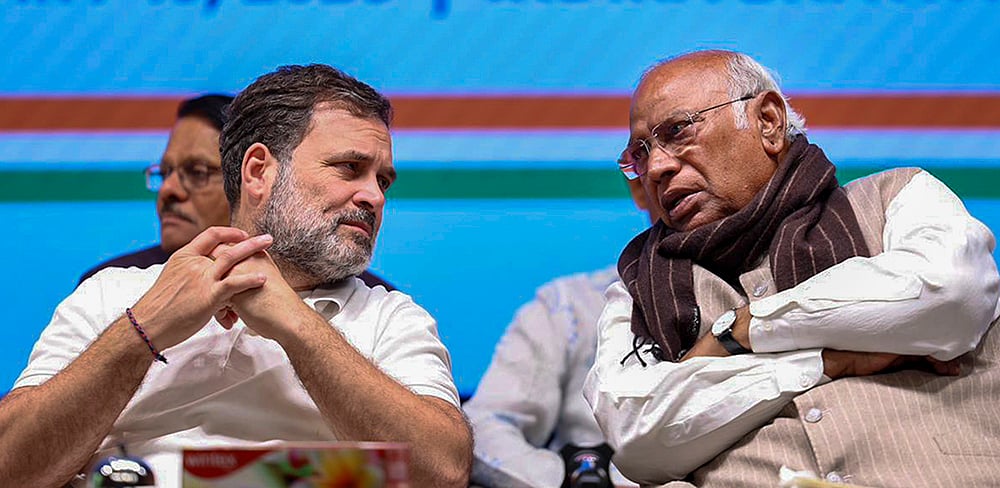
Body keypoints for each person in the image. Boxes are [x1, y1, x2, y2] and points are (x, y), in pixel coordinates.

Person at [0, 64, 472, 488]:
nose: (374, 197)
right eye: (350, 168)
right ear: (259, 171)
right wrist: (143, 330)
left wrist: (297, 324)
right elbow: (10, 467)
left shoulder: (390, 317)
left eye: (382, 180)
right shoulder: (114, 293)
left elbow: (444, 474)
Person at [584, 50, 1000, 487]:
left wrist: (738, 333)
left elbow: (948, 298)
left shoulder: (897, 196)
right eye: (640, 153)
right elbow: (638, 435)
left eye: (678, 130)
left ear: (767, 121)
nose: (657, 167)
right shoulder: (638, 287)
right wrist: (828, 361)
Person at [78, 94, 394, 290]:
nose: (169, 192)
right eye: (165, 173)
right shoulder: (111, 286)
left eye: (197, 173)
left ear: (253, 176)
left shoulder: (377, 306)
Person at [464, 180, 652, 488]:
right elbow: (485, 428)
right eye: (645, 154)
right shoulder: (567, 306)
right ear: (639, 189)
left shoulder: (756, 310)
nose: (665, 166)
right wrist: (577, 479)